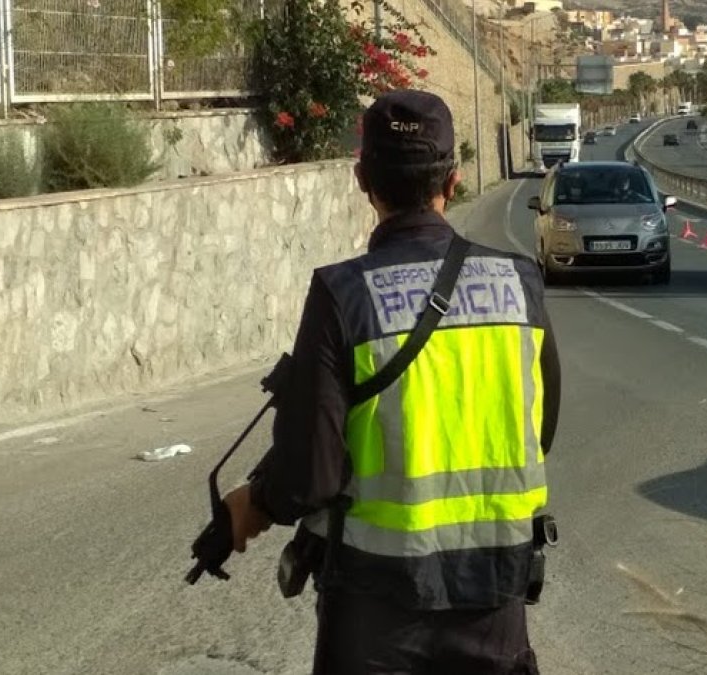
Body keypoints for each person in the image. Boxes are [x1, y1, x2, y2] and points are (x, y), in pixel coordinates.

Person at [219, 89, 561, 674]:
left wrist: (254, 503)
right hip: (496, 598)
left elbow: (311, 473)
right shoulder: (519, 283)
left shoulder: (342, 294)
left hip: (374, 612)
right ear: (453, 181)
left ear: (362, 180)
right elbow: (541, 430)